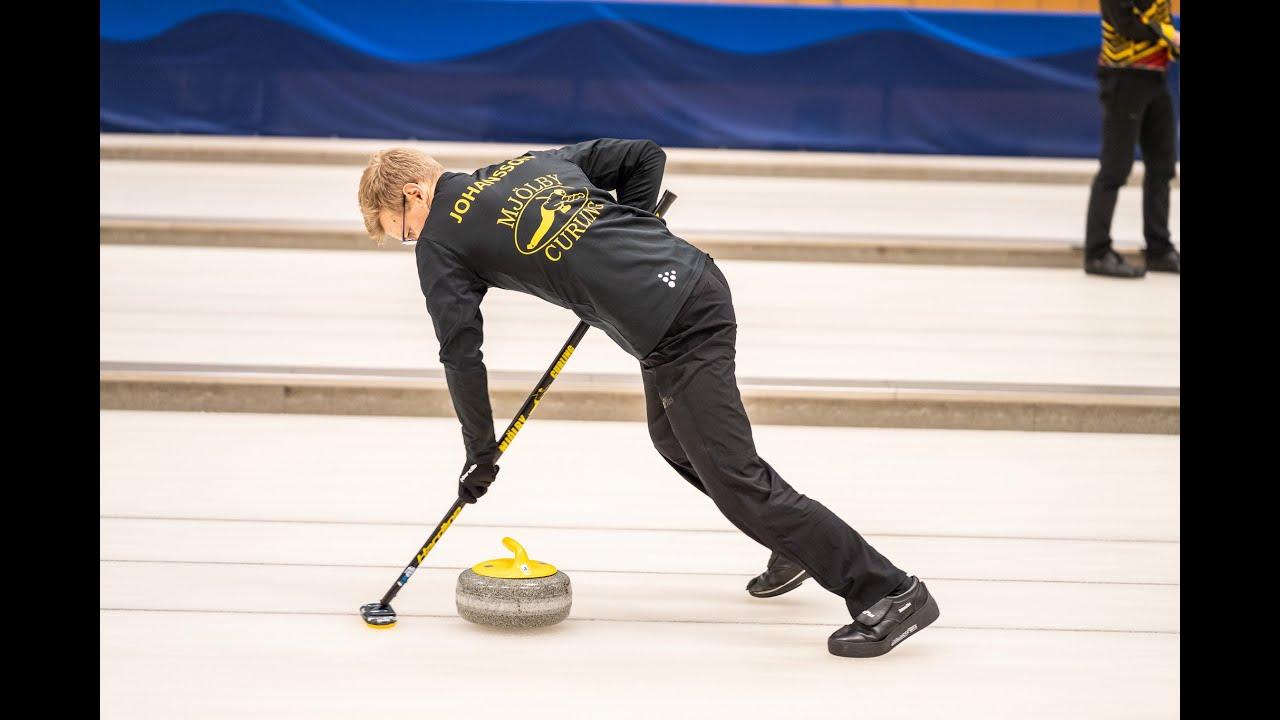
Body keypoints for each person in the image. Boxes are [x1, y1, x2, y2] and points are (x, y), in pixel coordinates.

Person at [356, 138, 939, 658]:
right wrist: (633, 237)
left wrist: (480, 449)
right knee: (675, 443)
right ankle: (794, 540)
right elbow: (642, 154)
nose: (411, 240)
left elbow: (460, 351)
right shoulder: (527, 163)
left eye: (401, 227)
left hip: (679, 327)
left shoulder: (439, 241)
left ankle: (889, 590)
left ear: (414, 192)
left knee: (736, 479)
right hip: (693, 287)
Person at [1083, 0, 1180, 278]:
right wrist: (1170, 36)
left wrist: (1172, 42)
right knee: (1115, 168)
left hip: (1156, 77)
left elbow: (1161, 23)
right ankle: (1097, 252)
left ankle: (1158, 249)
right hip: (1124, 76)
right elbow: (1126, 25)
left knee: (1163, 166)